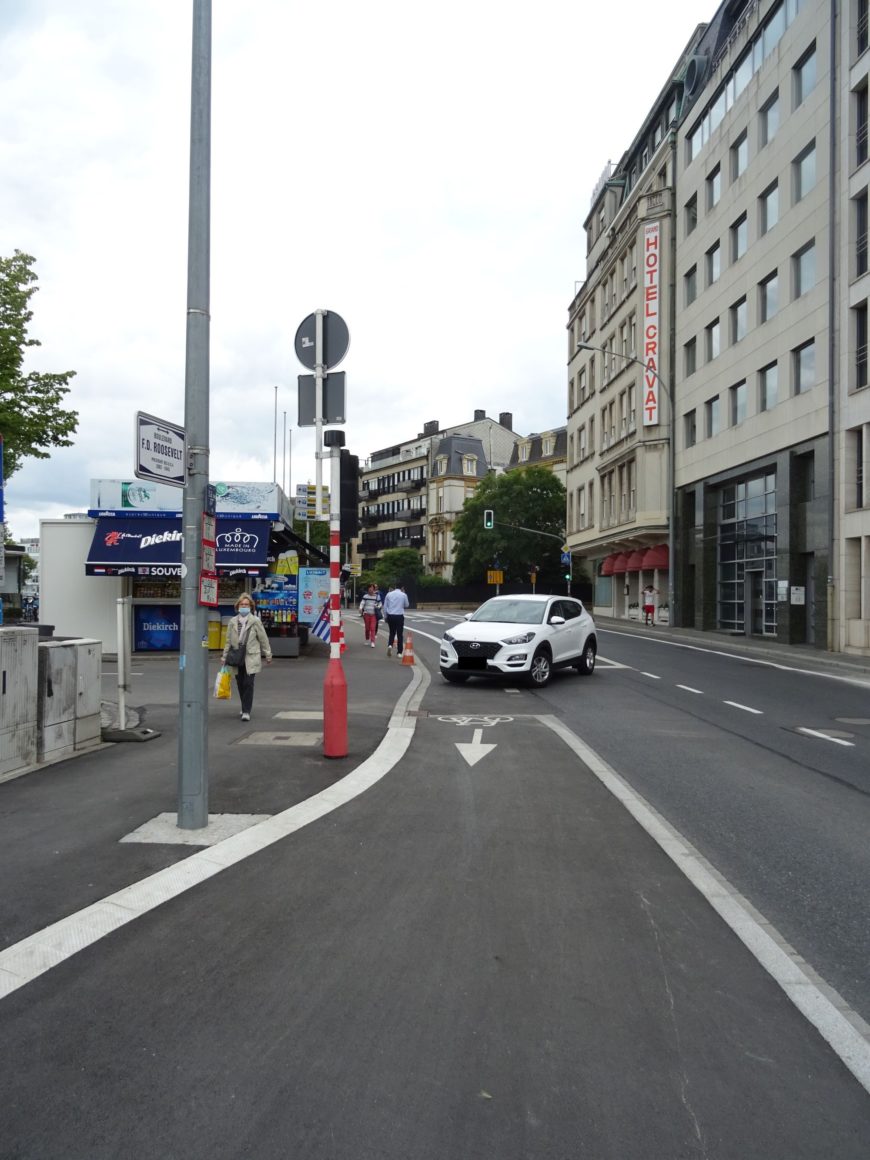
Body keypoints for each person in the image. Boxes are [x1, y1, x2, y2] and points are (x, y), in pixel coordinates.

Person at [221, 592, 272, 721]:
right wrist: (224, 656)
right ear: (238, 606)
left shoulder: (255, 621)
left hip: (251, 656)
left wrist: (268, 654)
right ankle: (244, 705)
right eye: (242, 604)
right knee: (240, 683)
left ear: (251, 607)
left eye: (246, 605)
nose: (244, 606)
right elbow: (228, 641)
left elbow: (263, 638)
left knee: (248, 683)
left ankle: (246, 711)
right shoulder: (232, 622)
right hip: (236, 656)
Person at [383, 583, 409, 656]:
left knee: (392, 632)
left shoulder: (389, 594)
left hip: (390, 616)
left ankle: (390, 645)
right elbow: (407, 605)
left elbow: (385, 607)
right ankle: (399, 652)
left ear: (395, 587)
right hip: (399, 616)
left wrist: (385, 616)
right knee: (399, 634)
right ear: (402, 587)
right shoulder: (403, 595)